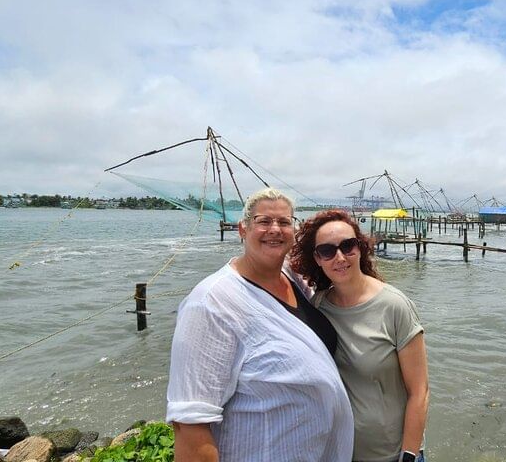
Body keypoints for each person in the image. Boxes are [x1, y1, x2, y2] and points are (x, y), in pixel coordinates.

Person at [166, 189, 353, 462]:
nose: (275, 229)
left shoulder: (292, 277)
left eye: (284, 222)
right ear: (243, 228)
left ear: (294, 230)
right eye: (263, 221)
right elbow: (190, 424)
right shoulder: (211, 303)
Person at [290, 209, 429, 462]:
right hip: (337, 451)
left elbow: (419, 391)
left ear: (360, 248)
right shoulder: (318, 307)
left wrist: (409, 455)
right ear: (317, 258)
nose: (340, 257)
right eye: (327, 251)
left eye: (348, 246)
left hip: (392, 454)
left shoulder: (395, 306)